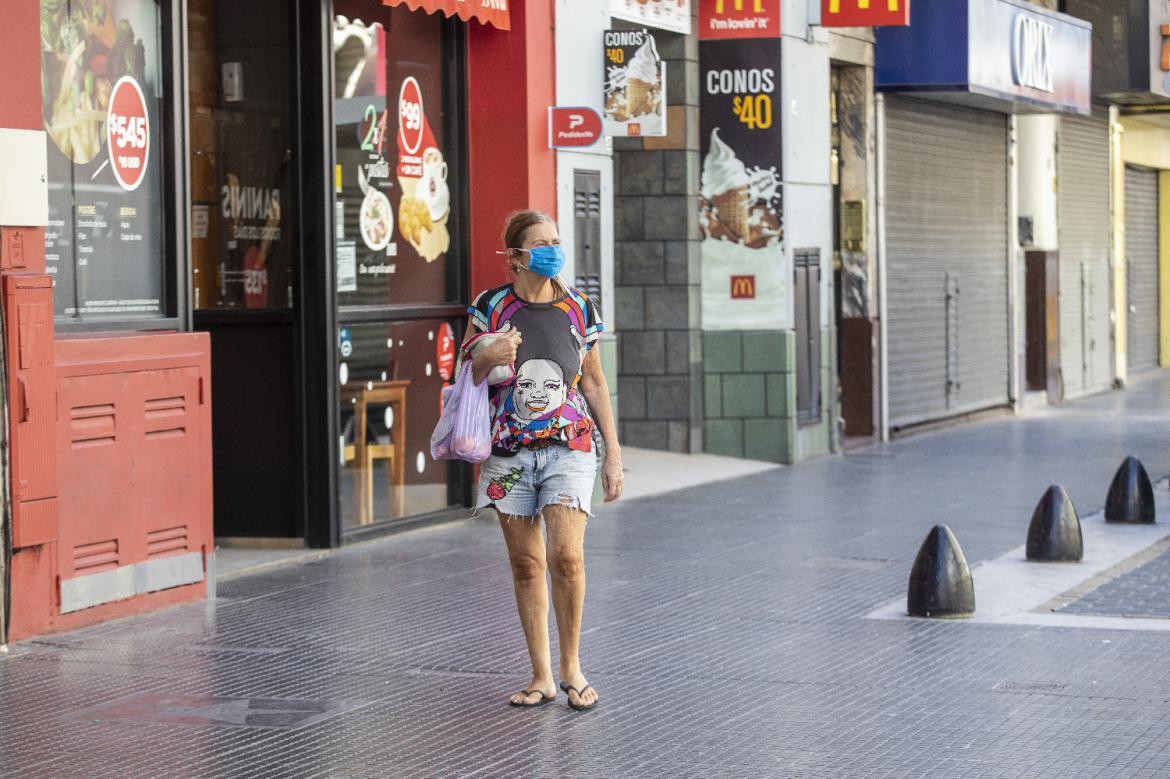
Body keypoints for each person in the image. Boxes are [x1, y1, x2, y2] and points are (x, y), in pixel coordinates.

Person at [462, 210, 623, 711]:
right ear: (515, 256)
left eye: (557, 240)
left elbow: (594, 382)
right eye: (542, 242)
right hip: (508, 452)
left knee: (566, 558)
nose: (554, 249)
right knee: (527, 564)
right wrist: (494, 352)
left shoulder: (578, 308)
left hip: (569, 447)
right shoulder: (490, 307)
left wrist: (613, 453)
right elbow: (467, 372)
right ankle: (541, 675)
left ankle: (572, 666)